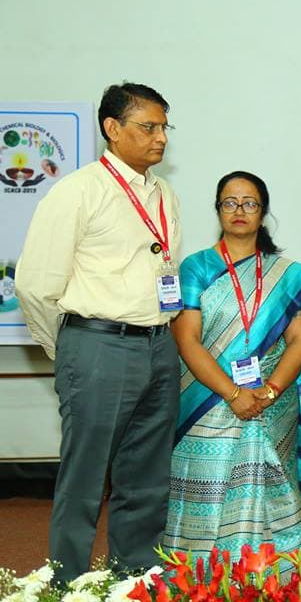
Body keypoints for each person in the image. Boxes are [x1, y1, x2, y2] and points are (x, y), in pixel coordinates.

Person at [16, 82, 181, 580]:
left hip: (158, 343)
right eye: (148, 127)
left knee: (148, 476)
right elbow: (35, 284)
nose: (161, 139)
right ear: (113, 129)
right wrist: (68, 347)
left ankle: (135, 575)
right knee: (85, 478)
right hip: (97, 344)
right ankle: (66, 582)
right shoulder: (78, 190)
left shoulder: (163, 191)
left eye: (164, 128)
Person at [163, 171, 301, 561]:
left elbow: (300, 339)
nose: (239, 210)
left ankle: (275, 580)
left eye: (249, 203)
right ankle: (198, 580)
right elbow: (186, 339)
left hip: (270, 404)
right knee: (204, 485)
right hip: (206, 399)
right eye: (230, 202)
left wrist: (269, 392)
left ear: (263, 212)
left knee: (269, 487)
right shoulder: (196, 268)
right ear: (218, 210)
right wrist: (233, 393)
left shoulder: (285, 275)